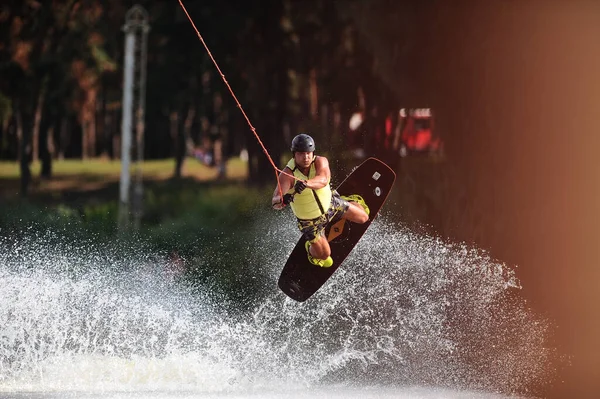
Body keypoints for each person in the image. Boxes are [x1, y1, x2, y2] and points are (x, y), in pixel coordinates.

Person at [272, 133, 370, 267]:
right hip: (309, 222)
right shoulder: (288, 175)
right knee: (325, 256)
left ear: (313, 153)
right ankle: (310, 249)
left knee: (364, 217)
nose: (306, 157)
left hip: (331, 205)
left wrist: (306, 183)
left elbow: (323, 179)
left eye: (308, 153)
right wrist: (283, 200)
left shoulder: (320, 161)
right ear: (294, 154)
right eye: (301, 153)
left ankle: (349, 200)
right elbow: (275, 201)